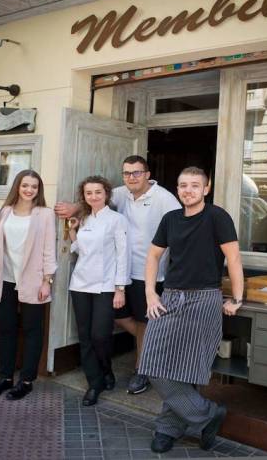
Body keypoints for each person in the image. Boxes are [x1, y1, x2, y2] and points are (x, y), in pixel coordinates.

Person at [138, 166, 244, 454]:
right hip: (169, 298)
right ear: (177, 188)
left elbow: (233, 259)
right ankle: (207, 414)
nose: (188, 190)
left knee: (187, 368)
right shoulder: (170, 219)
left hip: (204, 298)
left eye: (195, 185)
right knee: (153, 365)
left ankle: (167, 428)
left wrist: (236, 297)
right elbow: (153, 256)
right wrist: (150, 292)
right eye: (183, 185)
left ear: (206, 189)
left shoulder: (217, 216)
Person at [55, 155, 180, 395]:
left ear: (147, 174)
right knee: (121, 319)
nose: (131, 177)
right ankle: (158, 345)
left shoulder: (164, 198)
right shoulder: (120, 193)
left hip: (148, 271)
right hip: (116, 273)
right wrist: (74, 209)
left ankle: (141, 369)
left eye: (136, 172)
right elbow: (93, 200)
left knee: (145, 322)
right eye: (127, 173)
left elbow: (180, 227)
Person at [0, 170, 57, 400]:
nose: (29, 190)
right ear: (17, 186)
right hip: (3, 279)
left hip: (33, 280)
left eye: (34, 186)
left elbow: (48, 250)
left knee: (33, 330)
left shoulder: (44, 214)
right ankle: (5, 378)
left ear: (38, 190)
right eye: (25, 185)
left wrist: (47, 281)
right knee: (6, 329)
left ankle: (26, 380)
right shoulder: (2, 212)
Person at [68, 176, 129, 406]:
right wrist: (73, 231)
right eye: (88, 193)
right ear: (84, 196)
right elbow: (78, 250)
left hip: (105, 286)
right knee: (85, 337)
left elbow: (123, 256)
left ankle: (106, 369)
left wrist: (120, 289)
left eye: (98, 192)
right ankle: (95, 383)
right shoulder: (83, 219)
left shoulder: (117, 220)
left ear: (106, 194)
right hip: (80, 285)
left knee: (100, 335)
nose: (93, 196)